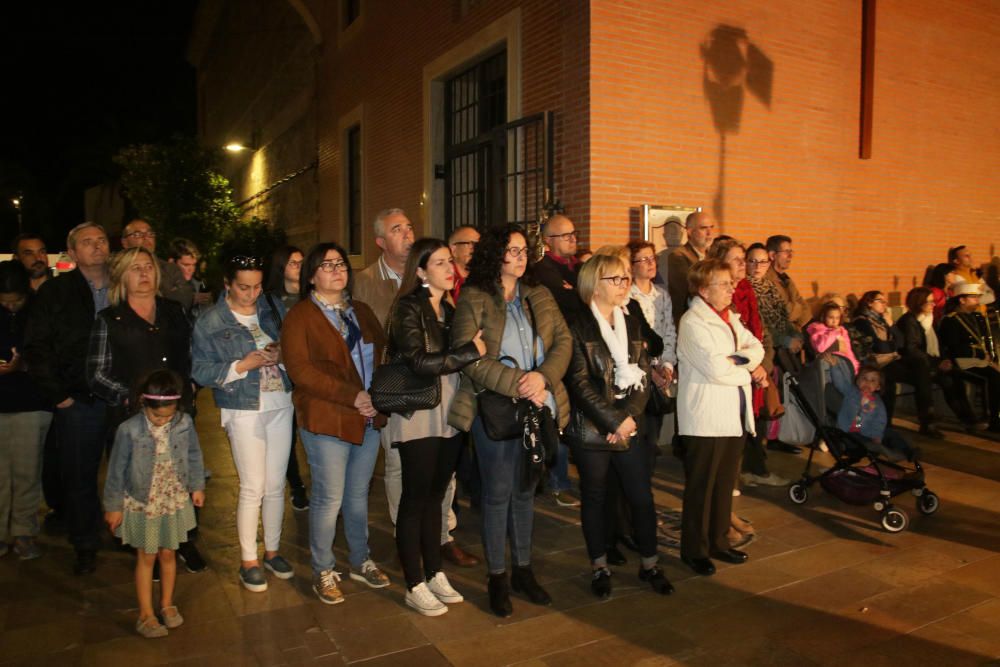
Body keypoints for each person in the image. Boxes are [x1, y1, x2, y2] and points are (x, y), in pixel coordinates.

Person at [448, 223, 572, 618]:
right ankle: (497, 577)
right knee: (497, 494)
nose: (520, 258)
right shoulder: (474, 297)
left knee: (524, 492)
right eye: (512, 251)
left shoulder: (538, 294)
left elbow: (563, 342)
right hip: (496, 409)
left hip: (539, 402)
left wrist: (543, 378)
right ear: (494, 255)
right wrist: (519, 382)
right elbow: (469, 355)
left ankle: (523, 569)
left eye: (523, 251)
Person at [281, 242, 391, 605]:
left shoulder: (359, 310)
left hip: (367, 417)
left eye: (340, 263)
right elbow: (301, 371)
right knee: (329, 498)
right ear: (311, 276)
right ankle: (323, 568)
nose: (336, 269)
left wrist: (377, 395)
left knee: (359, 496)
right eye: (326, 265)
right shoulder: (300, 317)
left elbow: (382, 353)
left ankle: (360, 559)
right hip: (328, 418)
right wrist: (352, 397)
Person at [86, 246, 205, 572]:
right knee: (140, 488)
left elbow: (193, 355)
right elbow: (96, 375)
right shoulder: (110, 320)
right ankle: (146, 549)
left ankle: (184, 541)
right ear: (122, 276)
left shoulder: (174, 312)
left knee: (182, 481)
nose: (143, 274)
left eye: (148, 267)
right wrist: (133, 398)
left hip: (178, 418)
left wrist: (193, 385)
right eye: (135, 268)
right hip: (134, 422)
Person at [385, 238, 485, 616]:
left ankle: (434, 572)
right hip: (418, 411)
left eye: (450, 262)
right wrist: (467, 353)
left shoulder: (448, 306)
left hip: (449, 411)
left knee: (437, 497)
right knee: (415, 499)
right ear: (421, 271)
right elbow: (416, 361)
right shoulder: (408, 308)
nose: (450, 268)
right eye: (440, 262)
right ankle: (414, 583)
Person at [564, 253, 673, 599]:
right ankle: (599, 566)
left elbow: (642, 374)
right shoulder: (577, 324)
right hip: (592, 426)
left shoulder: (632, 321)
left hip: (629, 423)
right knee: (595, 498)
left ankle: (650, 564)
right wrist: (612, 420)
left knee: (641, 496)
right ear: (595, 285)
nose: (625, 284)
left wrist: (627, 418)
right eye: (617, 279)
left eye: (626, 277)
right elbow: (578, 382)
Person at [191, 255, 295, 592]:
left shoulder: (272, 308)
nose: (251, 294)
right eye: (243, 287)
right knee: (253, 486)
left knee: (276, 484)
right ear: (227, 284)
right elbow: (200, 370)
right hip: (242, 406)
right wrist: (241, 364)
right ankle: (249, 559)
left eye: (257, 286)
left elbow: (295, 348)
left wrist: (282, 357)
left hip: (281, 401)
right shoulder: (211, 320)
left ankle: (273, 551)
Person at [24, 222, 110, 575]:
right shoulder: (56, 293)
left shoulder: (126, 285)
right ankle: (85, 541)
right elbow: (37, 346)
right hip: (79, 399)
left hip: (122, 398)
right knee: (79, 475)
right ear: (72, 253)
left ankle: (132, 535)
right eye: (87, 242)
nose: (96, 246)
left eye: (102, 240)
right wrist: (58, 395)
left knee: (130, 470)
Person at [677, 259, 766, 576]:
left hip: (732, 413)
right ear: (703, 289)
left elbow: (756, 346)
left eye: (732, 283)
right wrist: (749, 371)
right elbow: (715, 370)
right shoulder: (692, 322)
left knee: (724, 483)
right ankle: (694, 549)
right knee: (701, 485)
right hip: (705, 416)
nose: (732, 288)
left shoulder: (730, 318)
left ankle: (718, 540)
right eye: (724, 284)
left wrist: (739, 361)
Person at [103, 370, 205, 638]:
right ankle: (146, 614)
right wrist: (113, 506)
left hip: (172, 498)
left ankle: (167, 604)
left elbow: (194, 454)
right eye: (157, 416)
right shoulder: (129, 430)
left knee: (169, 553)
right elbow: (115, 470)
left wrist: (197, 485)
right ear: (143, 404)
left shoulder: (183, 423)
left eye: (169, 416)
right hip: (143, 501)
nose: (163, 421)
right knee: (147, 557)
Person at [0, 261, 52, 560]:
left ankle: (23, 532)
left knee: (26, 472)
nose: (10, 306)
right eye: (4, 301)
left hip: (31, 402)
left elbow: (49, 353)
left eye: (15, 300)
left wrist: (24, 365)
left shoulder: (38, 311)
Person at [532, 214, 585, 508]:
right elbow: (571, 301)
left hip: (581, 351)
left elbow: (587, 295)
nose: (573, 239)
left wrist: (577, 292)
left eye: (574, 233)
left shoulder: (579, 267)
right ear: (548, 241)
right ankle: (557, 481)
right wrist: (577, 293)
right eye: (566, 235)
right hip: (558, 353)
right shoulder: (543, 270)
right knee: (559, 418)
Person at [853, 290, 942, 437]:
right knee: (894, 379)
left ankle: (927, 421)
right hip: (878, 363)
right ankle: (922, 421)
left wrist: (891, 325)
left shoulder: (883, 320)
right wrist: (891, 343)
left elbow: (900, 341)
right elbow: (879, 346)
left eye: (885, 301)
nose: (884, 304)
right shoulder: (862, 321)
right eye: (880, 301)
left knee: (921, 370)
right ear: (869, 303)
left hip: (892, 359)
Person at [746, 242, 804, 454]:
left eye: (762, 261)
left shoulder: (770, 286)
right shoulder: (746, 288)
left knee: (780, 394)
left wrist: (794, 336)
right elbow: (762, 324)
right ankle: (762, 444)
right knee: (766, 399)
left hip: (779, 348)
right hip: (765, 350)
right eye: (752, 261)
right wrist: (784, 340)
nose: (757, 266)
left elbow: (783, 317)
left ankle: (776, 436)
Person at [897, 286, 980, 431]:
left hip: (932, 362)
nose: (933, 305)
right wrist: (937, 362)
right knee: (937, 380)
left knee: (956, 378)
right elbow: (912, 349)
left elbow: (939, 344)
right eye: (929, 302)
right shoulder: (910, 321)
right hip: (916, 365)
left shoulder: (929, 319)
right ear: (918, 303)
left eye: (933, 301)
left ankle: (968, 419)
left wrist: (944, 359)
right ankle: (928, 422)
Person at [264, 245, 309, 512]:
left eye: (303, 262)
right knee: (287, 437)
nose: (300, 267)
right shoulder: (269, 301)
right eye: (294, 263)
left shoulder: (312, 296)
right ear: (281, 268)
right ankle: (296, 484)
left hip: (309, 374)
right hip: (282, 377)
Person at [938, 282, 1000, 432]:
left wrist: (991, 358)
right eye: (973, 298)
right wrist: (980, 355)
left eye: (978, 297)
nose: (977, 301)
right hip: (963, 360)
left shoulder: (977, 317)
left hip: (981, 360)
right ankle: (993, 419)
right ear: (962, 299)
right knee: (991, 378)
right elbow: (954, 347)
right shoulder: (951, 320)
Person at [830, 365, 917, 461]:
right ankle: (873, 448)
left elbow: (880, 421)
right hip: (848, 431)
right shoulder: (851, 392)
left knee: (891, 433)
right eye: (864, 378)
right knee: (851, 439)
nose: (867, 382)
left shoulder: (877, 403)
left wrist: (877, 435)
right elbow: (840, 382)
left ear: (878, 387)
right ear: (857, 380)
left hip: (867, 432)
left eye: (873, 380)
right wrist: (834, 366)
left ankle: (907, 451)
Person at [121, 219, 193, 311]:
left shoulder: (170, 269)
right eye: (138, 235)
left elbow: (185, 299)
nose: (146, 238)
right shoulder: (116, 269)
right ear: (124, 242)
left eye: (150, 234)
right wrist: (168, 293)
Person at [666, 210, 716, 325]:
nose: (709, 233)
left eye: (711, 227)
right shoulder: (678, 256)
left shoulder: (713, 256)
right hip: (690, 320)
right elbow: (689, 290)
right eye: (704, 228)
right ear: (689, 231)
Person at [764, 235, 811, 330]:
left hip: (794, 333)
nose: (790, 256)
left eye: (791, 252)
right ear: (772, 255)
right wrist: (798, 308)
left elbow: (807, 310)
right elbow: (783, 313)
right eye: (786, 252)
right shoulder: (766, 280)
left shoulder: (787, 279)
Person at [806, 301, 861, 382]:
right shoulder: (818, 330)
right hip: (830, 367)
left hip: (846, 365)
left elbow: (847, 350)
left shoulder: (842, 330)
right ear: (824, 317)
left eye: (837, 318)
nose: (834, 321)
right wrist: (833, 332)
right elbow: (820, 348)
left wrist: (854, 366)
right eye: (831, 317)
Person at [167, 238, 212, 318]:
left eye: (194, 265)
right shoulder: (159, 284)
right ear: (171, 262)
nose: (191, 269)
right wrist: (189, 299)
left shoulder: (198, 285)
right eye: (186, 265)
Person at [945, 245, 995, 310]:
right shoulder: (956, 277)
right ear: (956, 261)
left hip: (981, 315)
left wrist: (976, 299)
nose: (970, 258)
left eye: (970, 255)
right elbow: (968, 302)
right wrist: (981, 296)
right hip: (968, 317)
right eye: (966, 256)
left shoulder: (975, 275)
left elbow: (992, 295)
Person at [448, 225, 480, 299]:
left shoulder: (484, 278)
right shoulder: (445, 278)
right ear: (454, 250)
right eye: (470, 244)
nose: (475, 249)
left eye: (478, 245)